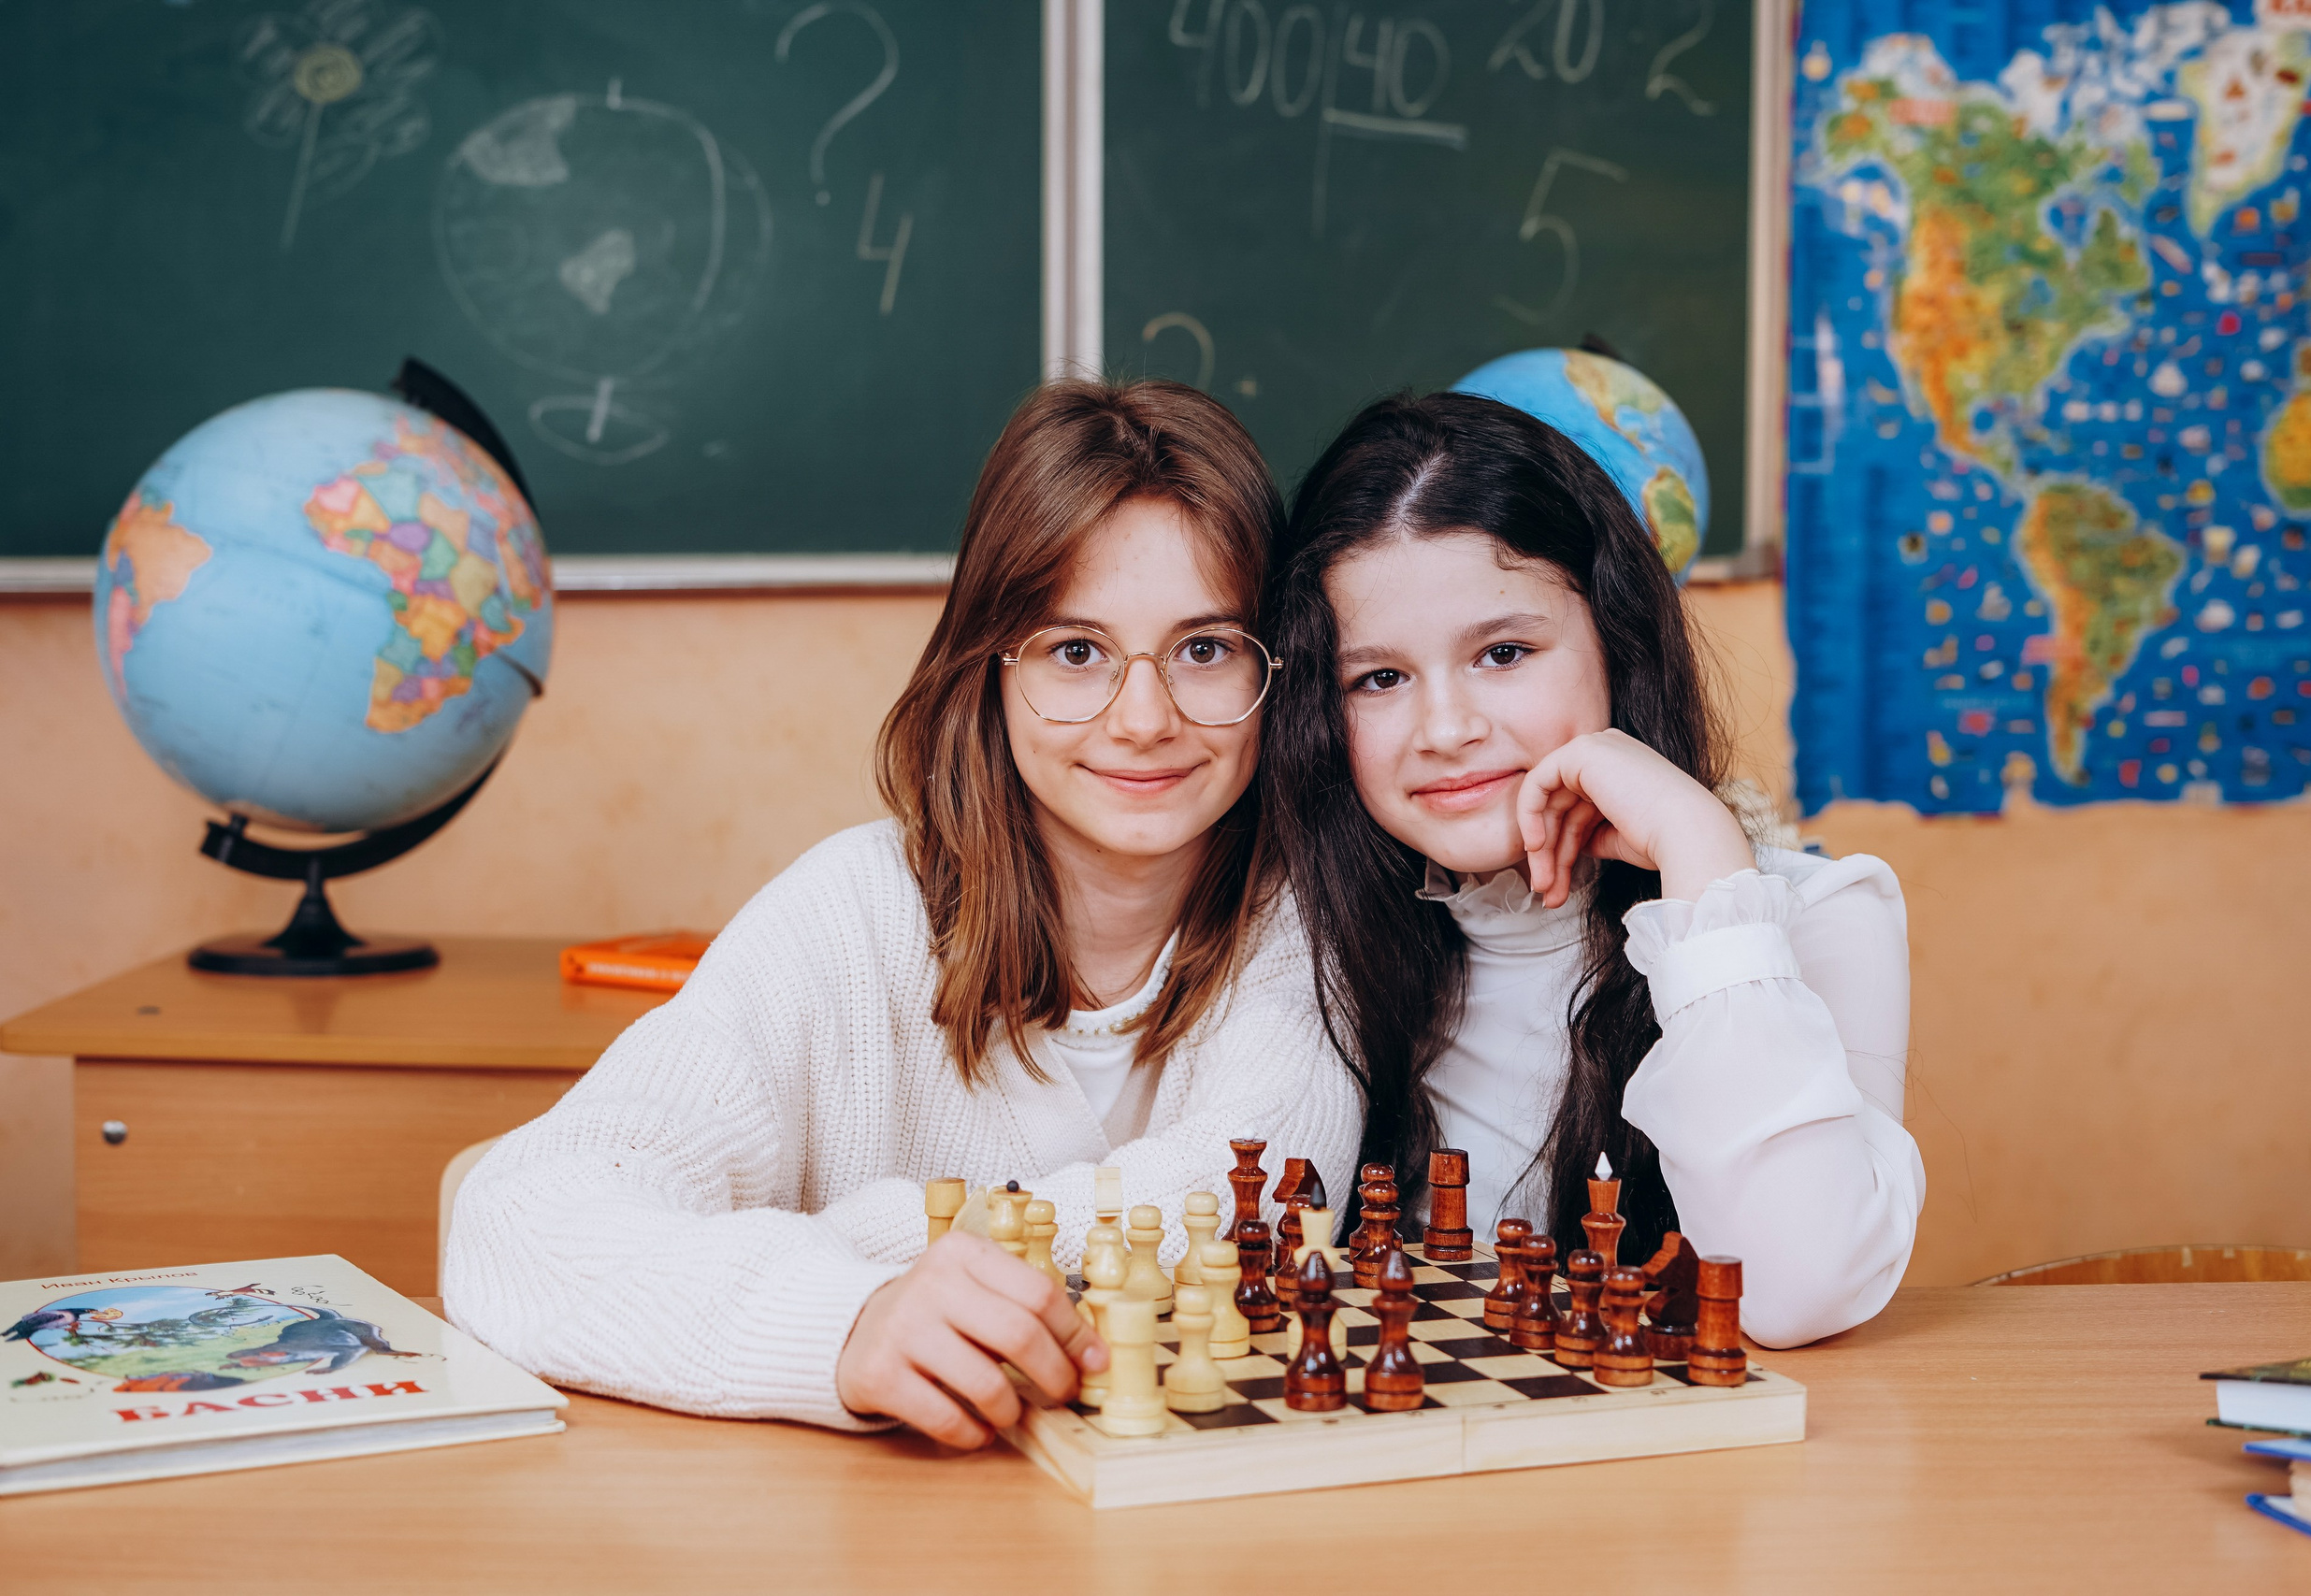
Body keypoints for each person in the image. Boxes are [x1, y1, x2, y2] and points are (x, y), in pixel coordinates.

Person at [445, 381, 1362, 1446]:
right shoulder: (852, 909)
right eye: (1077, 652)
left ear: (1273, 672)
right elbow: (515, 1222)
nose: (1145, 718)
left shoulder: (1308, 922)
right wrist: (847, 1318)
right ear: (991, 668)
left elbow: (1242, 1201)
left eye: (1204, 649)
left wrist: (857, 1237)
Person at [1262, 392, 1920, 1347]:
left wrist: (1699, 857)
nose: (1446, 730)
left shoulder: (1815, 915)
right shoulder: (1309, 922)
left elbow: (1793, 1295)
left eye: (1503, 653)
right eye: (1379, 678)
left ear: (1617, 641)